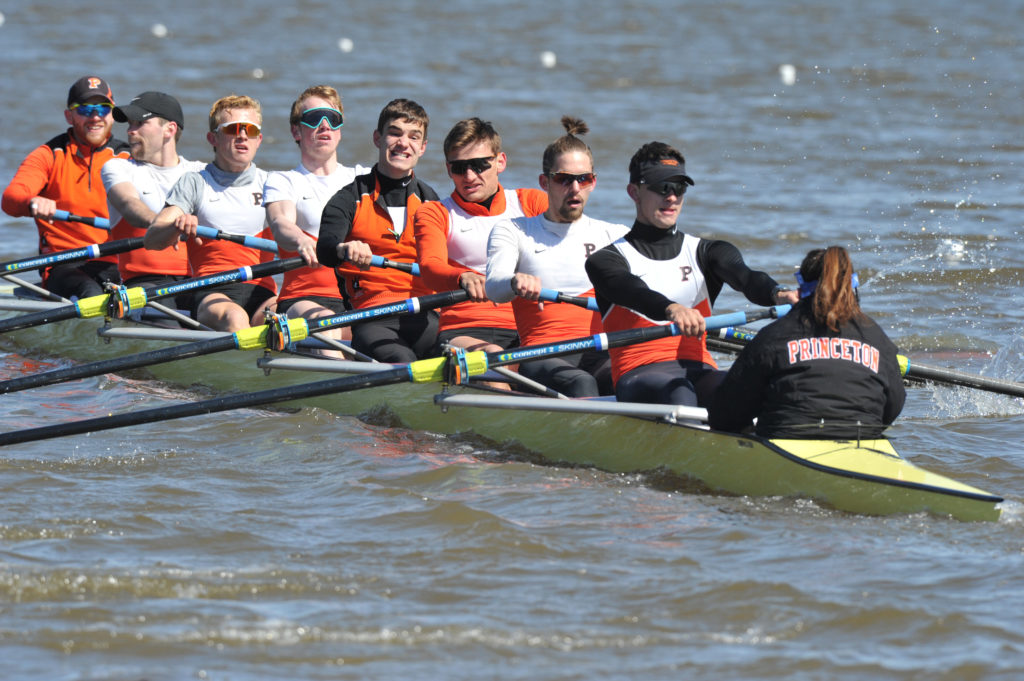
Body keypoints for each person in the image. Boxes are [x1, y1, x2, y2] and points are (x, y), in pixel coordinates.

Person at [585, 141, 801, 407]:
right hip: (639, 372)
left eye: (679, 188)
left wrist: (779, 293)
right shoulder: (605, 260)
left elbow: (746, 278)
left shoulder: (708, 252)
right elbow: (634, 292)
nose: (672, 197)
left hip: (700, 368)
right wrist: (672, 309)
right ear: (634, 192)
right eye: (661, 187)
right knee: (680, 392)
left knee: (752, 390)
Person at [485, 116, 627, 397]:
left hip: (598, 350)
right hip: (541, 354)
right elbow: (494, 287)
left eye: (583, 179)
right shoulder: (514, 230)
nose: (575, 188)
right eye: (564, 179)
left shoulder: (615, 235)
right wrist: (514, 282)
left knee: (633, 376)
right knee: (581, 383)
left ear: (593, 182)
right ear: (544, 182)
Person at [708, 246, 906, 438]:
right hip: (861, 441)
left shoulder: (772, 337)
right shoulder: (878, 339)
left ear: (800, 290)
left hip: (785, 443)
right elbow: (893, 407)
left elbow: (724, 415)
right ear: (853, 291)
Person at [317, 98, 439, 363]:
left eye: (413, 137)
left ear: (423, 147)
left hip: (425, 314)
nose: (403, 143)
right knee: (404, 362)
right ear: (377, 138)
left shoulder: (432, 201)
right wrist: (344, 249)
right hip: (372, 318)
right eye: (394, 133)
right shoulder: (349, 198)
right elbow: (325, 248)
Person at [414, 117, 547, 354]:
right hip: (465, 327)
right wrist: (462, 276)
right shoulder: (435, 212)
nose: (469, 176)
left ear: (500, 162)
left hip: (529, 327)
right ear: (448, 170)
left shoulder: (532, 203)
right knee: (497, 357)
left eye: (479, 165)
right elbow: (429, 267)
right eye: (458, 167)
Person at [146, 94, 277, 332]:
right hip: (212, 292)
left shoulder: (273, 184)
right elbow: (152, 238)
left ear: (259, 139)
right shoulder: (195, 183)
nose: (242, 135)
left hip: (263, 292)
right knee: (236, 320)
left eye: (250, 129)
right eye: (233, 129)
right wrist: (177, 223)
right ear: (213, 138)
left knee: (287, 317)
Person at [2, 76, 130, 299]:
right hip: (63, 264)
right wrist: (32, 202)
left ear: (112, 113)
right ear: (69, 116)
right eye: (86, 110)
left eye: (103, 108)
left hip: (116, 261)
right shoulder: (50, 154)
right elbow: (11, 199)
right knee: (90, 293)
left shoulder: (128, 157)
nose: (96, 117)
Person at [264, 85, 370, 344]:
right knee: (328, 326)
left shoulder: (362, 178)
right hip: (304, 298)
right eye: (314, 119)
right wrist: (301, 240)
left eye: (332, 119)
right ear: (296, 131)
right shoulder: (283, 181)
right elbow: (280, 223)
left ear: (340, 130)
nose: (324, 126)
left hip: (359, 297)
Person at [102, 91, 204, 312]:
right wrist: (164, 225)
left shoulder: (201, 173)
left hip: (199, 280)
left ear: (170, 129)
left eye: (140, 123)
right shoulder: (118, 168)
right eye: (130, 124)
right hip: (143, 283)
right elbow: (129, 205)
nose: (130, 131)